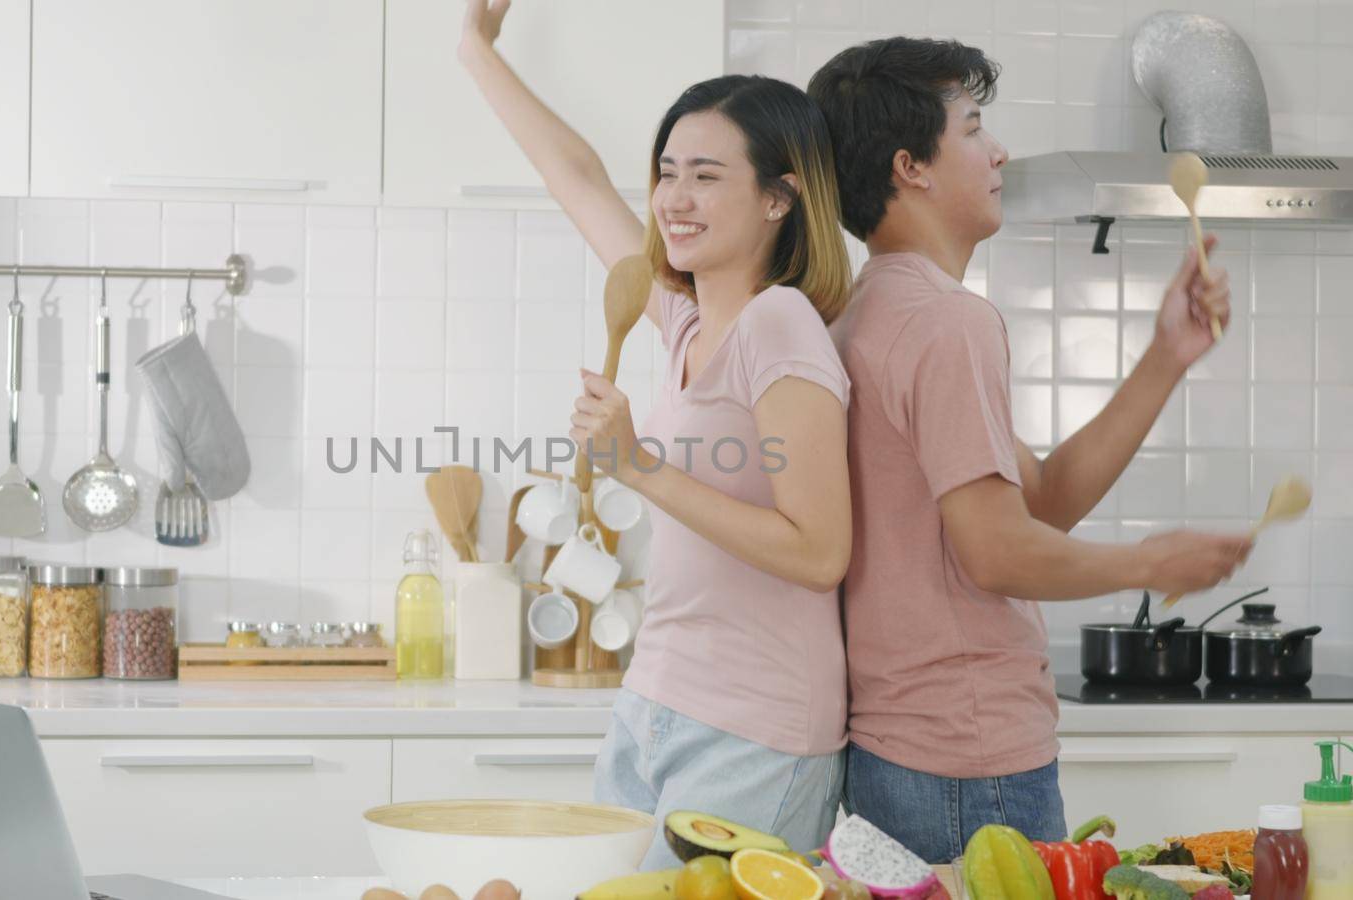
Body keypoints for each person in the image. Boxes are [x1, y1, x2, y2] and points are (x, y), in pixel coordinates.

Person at [807, 37, 1253, 862]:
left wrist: (1166, 355)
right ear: (912, 167)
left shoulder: (873, 312)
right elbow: (997, 552)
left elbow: (1036, 498)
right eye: (974, 128)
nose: (999, 149)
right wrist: (1146, 565)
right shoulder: (946, 323)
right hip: (969, 760)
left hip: (906, 750)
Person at [460, 0, 856, 868]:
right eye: (668, 171)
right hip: (654, 704)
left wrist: (636, 465)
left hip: (754, 729)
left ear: (780, 198)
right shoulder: (683, 320)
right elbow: (580, 178)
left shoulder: (779, 323)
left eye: (707, 176)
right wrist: (475, 49)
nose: (674, 198)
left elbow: (822, 549)